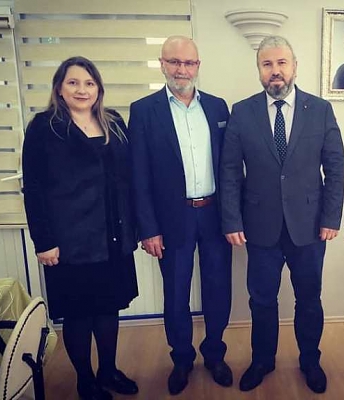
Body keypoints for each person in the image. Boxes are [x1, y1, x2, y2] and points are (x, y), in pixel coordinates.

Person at [220, 35, 344, 394]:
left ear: (294, 67)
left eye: (281, 63)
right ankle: (262, 360)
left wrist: (331, 218)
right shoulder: (242, 112)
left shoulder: (320, 110)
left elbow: (335, 167)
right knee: (261, 300)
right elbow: (230, 171)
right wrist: (231, 220)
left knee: (309, 299)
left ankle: (310, 360)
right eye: (267, 64)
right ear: (259, 69)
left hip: (310, 226)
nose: (275, 71)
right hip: (260, 226)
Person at [22, 56, 139, 400]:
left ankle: (108, 370)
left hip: (112, 235)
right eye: (73, 82)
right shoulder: (44, 127)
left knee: (108, 307)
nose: (82, 90)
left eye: (89, 83)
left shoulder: (113, 122)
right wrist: (43, 240)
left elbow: (127, 178)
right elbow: (34, 188)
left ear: (98, 88)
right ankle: (85, 380)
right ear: (59, 88)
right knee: (78, 313)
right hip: (69, 240)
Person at [128, 36, 233, 395]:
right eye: (174, 62)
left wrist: (233, 217)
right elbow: (138, 175)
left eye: (188, 63)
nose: (181, 69)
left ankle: (215, 354)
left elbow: (229, 168)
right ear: (162, 64)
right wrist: (148, 228)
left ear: (198, 66)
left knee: (218, 289)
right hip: (172, 219)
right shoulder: (144, 111)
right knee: (175, 294)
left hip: (214, 214)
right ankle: (182, 359)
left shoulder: (217, 108)